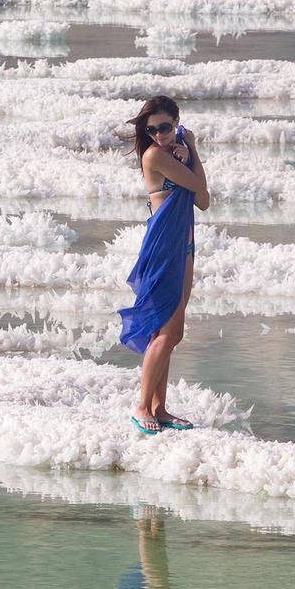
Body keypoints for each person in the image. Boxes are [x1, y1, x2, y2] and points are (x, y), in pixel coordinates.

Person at [117, 94, 210, 435]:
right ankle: (142, 406)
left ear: (175, 121)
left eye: (166, 127)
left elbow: (203, 203)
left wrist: (185, 146)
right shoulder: (156, 155)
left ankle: (160, 408)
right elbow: (199, 186)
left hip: (183, 247)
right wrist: (190, 150)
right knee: (170, 332)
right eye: (152, 129)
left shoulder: (174, 149)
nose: (158, 135)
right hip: (163, 251)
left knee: (166, 331)